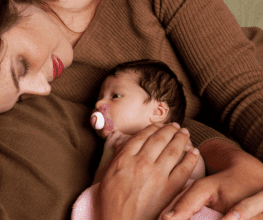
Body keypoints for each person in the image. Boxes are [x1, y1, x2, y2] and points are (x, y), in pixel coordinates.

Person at [0, 0, 263, 219]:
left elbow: (245, 94)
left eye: (22, 67)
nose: (42, 88)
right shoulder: (51, 104)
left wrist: (239, 161)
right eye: (21, 96)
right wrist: (229, 157)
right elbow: (163, 122)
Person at [72, 59, 222, 219]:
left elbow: (196, 174)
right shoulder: (115, 141)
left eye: (115, 96)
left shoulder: (177, 139)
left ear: (158, 112)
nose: (99, 103)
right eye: (100, 97)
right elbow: (102, 183)